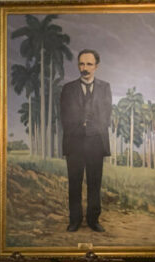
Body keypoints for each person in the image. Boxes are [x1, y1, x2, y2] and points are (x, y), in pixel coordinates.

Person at [60, 49, 112, 233]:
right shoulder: (68, 89)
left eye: (89, 64)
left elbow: (106, 116)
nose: (85, 68)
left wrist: (90, 128)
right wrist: (80, 126)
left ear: (96, 66)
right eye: (82, 63)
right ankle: (74, 220)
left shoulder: (105, 87)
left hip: (96, 143)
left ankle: (93, 220)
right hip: (74, 143)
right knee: (74, 183)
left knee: (94, 184)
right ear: (78, 65)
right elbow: (64, 116)